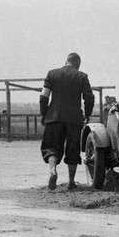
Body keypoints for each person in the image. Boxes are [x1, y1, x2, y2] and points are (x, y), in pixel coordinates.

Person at [39, 52, 95, 190]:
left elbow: (43, 97)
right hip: (73, 119)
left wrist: (44, 114)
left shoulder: (52, 74)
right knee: (72, 150)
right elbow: (89, 98)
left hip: (54, 118)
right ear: (77, 64)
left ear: (66, 62)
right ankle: (71, 181)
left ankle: (53, 171)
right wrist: (87, 114)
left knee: (51, 148)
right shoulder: (82, 76)